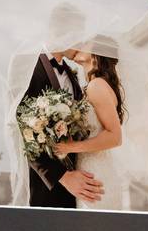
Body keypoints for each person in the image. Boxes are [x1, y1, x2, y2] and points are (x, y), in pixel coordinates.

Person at [19, 2, 104, 208]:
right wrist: (63, 177)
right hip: (44, 185)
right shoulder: (25, 64)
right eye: (79, 34)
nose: (82, 40)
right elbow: (21, 128)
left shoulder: (73, 76)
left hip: (79, 183)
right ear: (61, 31)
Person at [54, 39, 127, 210]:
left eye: (85, 42)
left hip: (97, 177)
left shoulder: (97, 86)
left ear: (97, 53)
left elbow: (115, 137)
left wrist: (71, 147)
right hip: (90, 173)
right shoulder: (92, 85)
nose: (78, 43)